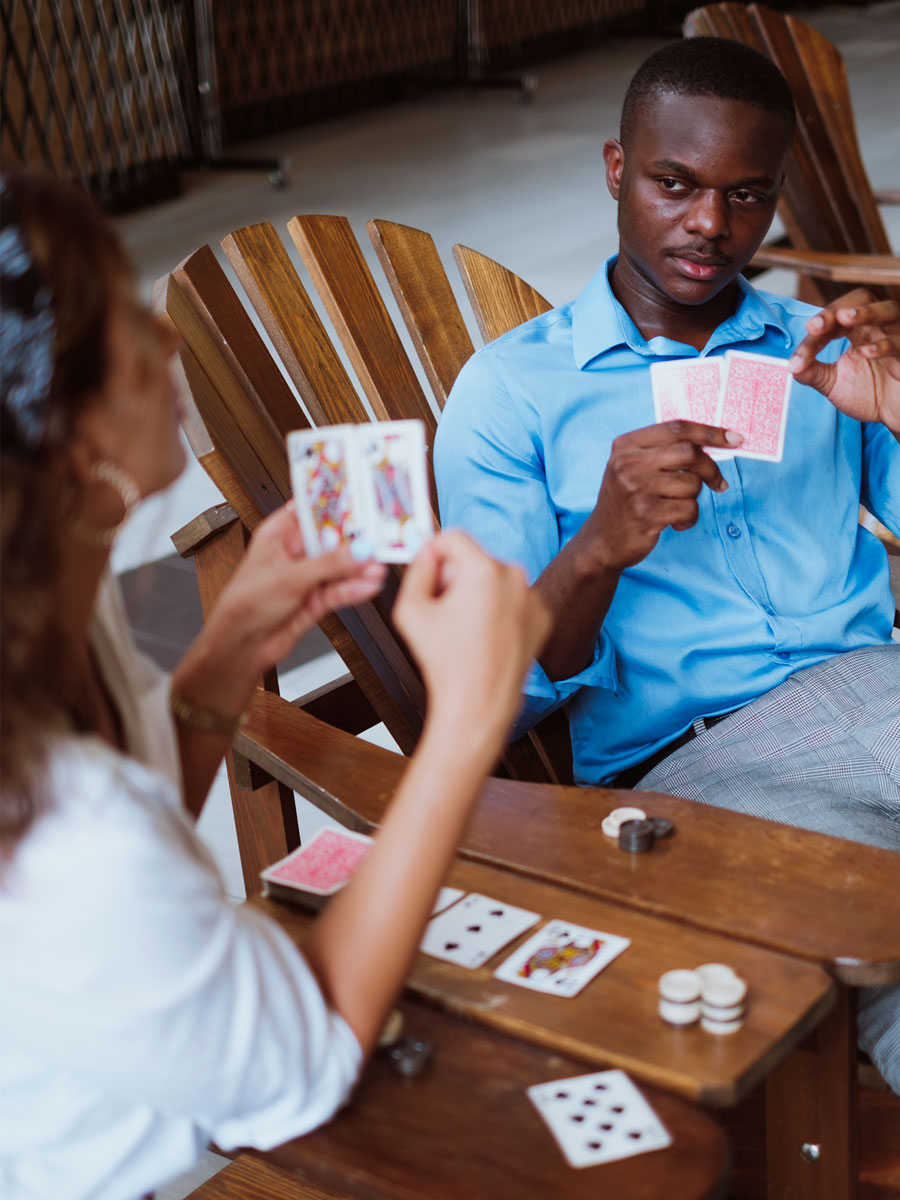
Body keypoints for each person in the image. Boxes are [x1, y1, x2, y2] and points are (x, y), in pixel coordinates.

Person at [0, 169, 550, 1200]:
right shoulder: (75, 836)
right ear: (71, 441)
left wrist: (239, 637)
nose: (165, 336)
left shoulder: (58, 612)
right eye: (127, 319)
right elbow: (312, 1052)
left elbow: (137, 819)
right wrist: (466, 722)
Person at [434, 38, 899, 1087]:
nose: (710, 225)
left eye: (747, 194)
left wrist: (897, 410)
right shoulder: (513, 393)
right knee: (883, 945)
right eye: (675, 184)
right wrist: (601, 542)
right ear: (615, 169)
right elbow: (486, 694)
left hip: (881, 687)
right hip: (699, 769)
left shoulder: (815, 352)